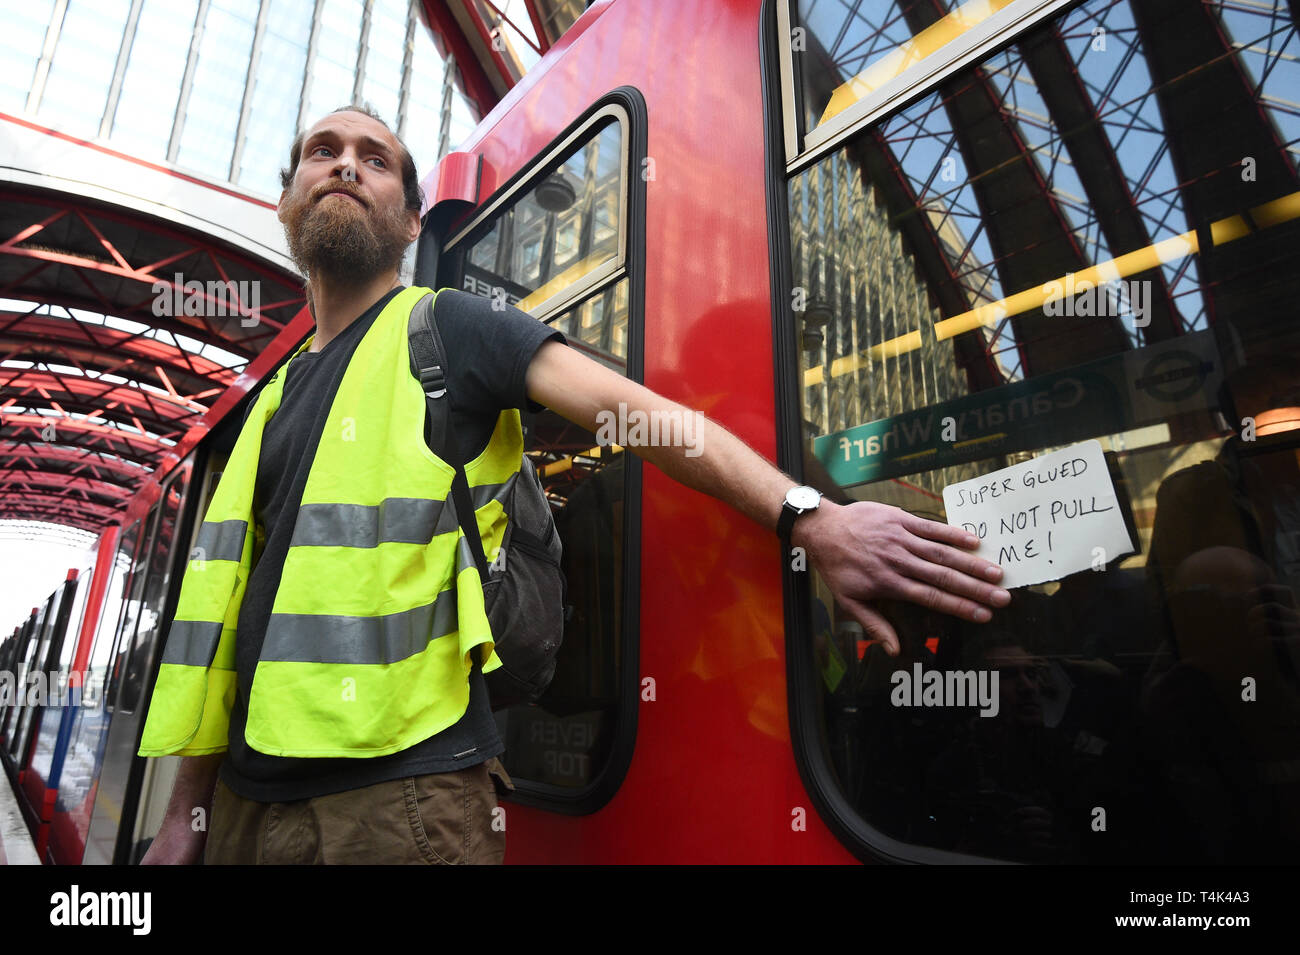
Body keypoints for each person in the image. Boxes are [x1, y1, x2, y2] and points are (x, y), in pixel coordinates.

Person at [140, 104, 1010, 865]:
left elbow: (648, 417)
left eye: (375, 160)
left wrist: (809, 517)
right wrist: (188, 810)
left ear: (411, 223)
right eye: (322, 151)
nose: (344, 164)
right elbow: (234, 621)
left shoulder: (449, 328)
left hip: (398, 805)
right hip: (248, 810)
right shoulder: (275, 399)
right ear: (288, 201)